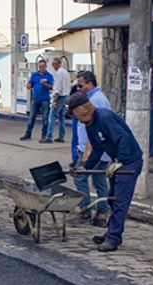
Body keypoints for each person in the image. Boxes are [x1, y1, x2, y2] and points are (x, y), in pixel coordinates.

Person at [69, 92, 143, 252]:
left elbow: (123, 138)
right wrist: (85, 167)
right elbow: (97, 147)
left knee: (120, 201)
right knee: (112, 199)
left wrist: (120, 161)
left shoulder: (103, 117)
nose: (74, 118)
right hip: (119, 162)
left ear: (82, 109)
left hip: (129, 162)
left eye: (74, 113)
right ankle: (111, 232)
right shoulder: (90, 124)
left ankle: (113, 239)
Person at [73, 71, 110, 226]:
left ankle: (85, 211)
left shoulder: (97, 100)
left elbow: (96, 129)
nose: (79, 88)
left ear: (89, 84)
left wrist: (87, 150)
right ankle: (101, 213)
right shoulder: (91, 98)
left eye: (81, 85)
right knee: (99, 180)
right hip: (91, 148)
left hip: (94, 150)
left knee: (80, 178)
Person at [20, 59, 53, 142]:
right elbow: (29, 84)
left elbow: (52, 87)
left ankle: (44, 135)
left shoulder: (49, 76)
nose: (41, 68)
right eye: (40, 66)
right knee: (31, 117)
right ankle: (28, 134)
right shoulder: (35, 75)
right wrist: (28, 85)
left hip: (45, 99)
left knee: (45, 118)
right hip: (35, 98)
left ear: (45, 67)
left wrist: (45, 84)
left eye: (42, 66)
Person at [47, 58, 71, 144]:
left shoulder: (59, 73)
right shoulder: (66, 73)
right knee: (61, 117)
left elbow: (57, 88)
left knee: (52, 116)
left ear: (56, 64)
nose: (53, 67)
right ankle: (61, 136)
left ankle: (49, 136)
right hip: (66, 96)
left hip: (60, 97)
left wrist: (55, 100)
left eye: (53, 65)